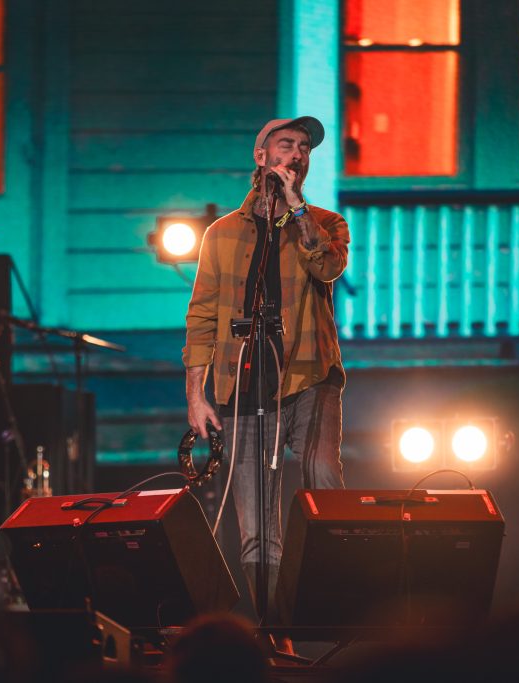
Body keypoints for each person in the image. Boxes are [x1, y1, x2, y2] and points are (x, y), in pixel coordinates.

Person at [183, 116, 349, 630]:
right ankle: (279, 633)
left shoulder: (324, 222)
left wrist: (296, 207)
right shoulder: (223, 233)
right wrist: (197, 394)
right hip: (243, 385)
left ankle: (337, 595)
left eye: (304, 148)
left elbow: (327, 268)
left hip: (310, 376)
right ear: (261, 156)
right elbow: (203, 313)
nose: (296, 153)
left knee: (321, 476)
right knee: (256, 524)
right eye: (286, 144)